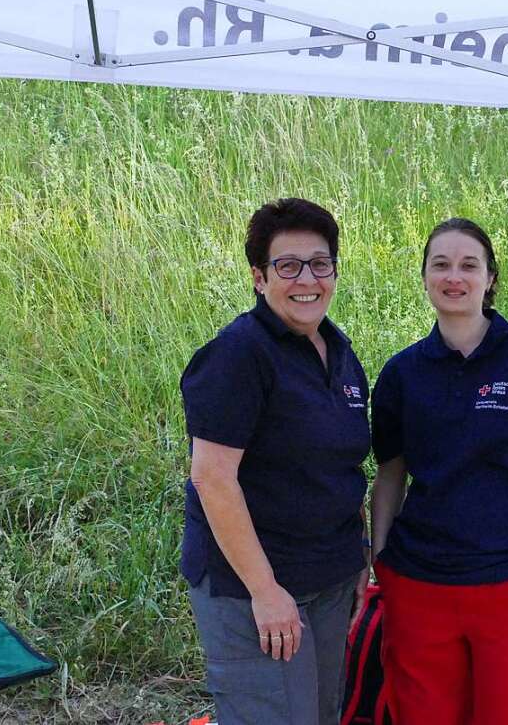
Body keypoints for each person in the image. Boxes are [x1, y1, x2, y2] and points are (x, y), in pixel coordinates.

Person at [369, 217, 508, 725]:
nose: (455, 276)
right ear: (425, 276)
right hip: (420, 587)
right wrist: (379, 559)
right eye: (441, 265)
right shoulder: (402, 372)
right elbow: (389, 476)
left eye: (469, 265)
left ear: (490, 277)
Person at [179, 198, 371, 725]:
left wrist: (359, 555)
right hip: (256, 591)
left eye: (320, 263)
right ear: (260, 278)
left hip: (329, 578)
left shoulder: (340, 352)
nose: (306, 278)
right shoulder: (238, 355)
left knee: (321, 714)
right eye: (288, 265)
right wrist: (265, 592)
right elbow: (212, 478)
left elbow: (343, 468)